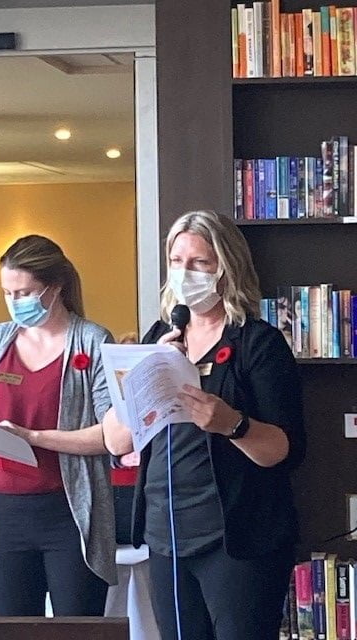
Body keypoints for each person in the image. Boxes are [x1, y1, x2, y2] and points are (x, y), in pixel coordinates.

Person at [103, 210, 306, 640]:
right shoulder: (160, 336)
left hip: (236, 537)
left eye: (199, 263)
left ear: (226, 268)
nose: (185, 273)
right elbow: (116, 440)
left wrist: (233, 424)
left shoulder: (258, 343)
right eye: (176, 262)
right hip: (166, 533)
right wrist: (142, 378)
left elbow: (285, 449)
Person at [0, 234, 117, 617]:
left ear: (55, 287)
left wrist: (32, 438)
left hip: (69, 512)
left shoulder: (92, 341)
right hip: (1, 513)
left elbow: (109, 436)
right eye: (7, 293)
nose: (15, 302)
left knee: (78, 629)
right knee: (10, 629)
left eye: (25, 293)